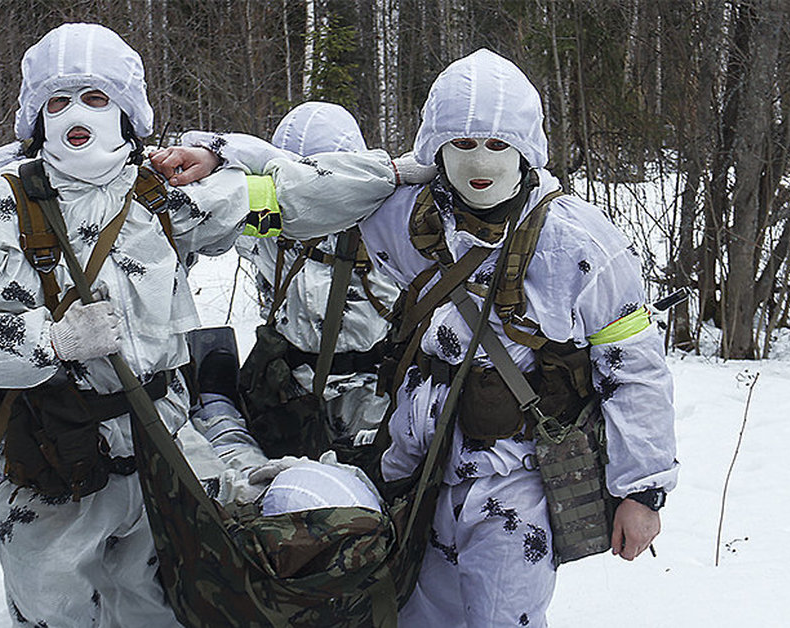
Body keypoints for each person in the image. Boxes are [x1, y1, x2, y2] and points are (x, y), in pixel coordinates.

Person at [154, 48, 678, 628]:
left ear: (527, 149)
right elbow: (311, 180)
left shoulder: (579, 245)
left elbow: (634, 369)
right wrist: (222, 154)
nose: (481, 162)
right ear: (438, 148)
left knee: (502, 615)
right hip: (420, 465)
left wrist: (643, 489)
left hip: (518, 478)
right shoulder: (410, 215)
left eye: (498, 145)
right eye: (463, 145)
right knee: (415, 612)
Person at [0, 23, 246, 626]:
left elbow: (295, 187)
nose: (77, 116)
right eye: (57, 101)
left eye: (97, 99)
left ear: (127, 112)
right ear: (36, 116)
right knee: (53, 611)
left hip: (160, 446)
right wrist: (49, 341)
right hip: (51, 459)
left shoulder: (162, 194)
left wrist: (221, 150)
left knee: (162, 603)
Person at [181, 101, 402, 467]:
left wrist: (227, 155)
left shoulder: (386, 223)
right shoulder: (269, 220)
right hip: (295, 398)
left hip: (360, 400)